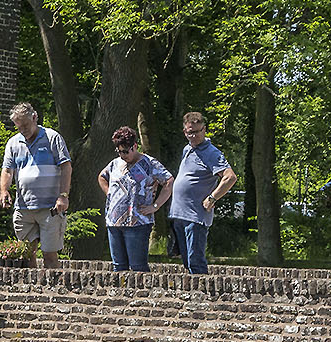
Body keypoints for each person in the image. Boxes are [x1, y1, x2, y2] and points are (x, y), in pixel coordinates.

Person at [0, 102, 72, 268]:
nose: (23, 130)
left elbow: (66, 166)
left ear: (34, 117)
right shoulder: (13, 143)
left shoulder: (52, 137)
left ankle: (53, 290)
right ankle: (31, 290)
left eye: (25, 125)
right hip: (23, 207)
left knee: (50, 254)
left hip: (50, 207)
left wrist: (63, 195)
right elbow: (7, 171)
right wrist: (4, 191)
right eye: (18, 127)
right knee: (25, 255)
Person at [167, 112, 237, 274]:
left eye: (197, 132)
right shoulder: (187, 149)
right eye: (189, 132)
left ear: (204, 130)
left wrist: (213, 198)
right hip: (179, 215)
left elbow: (230, 177)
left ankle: (202, 296)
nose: (193, 136)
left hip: (196, 216)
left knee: (195, 262)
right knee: (186, 262)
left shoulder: (211, 153)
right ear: (184, 131)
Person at [98, 126, 172, 272]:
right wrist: (110, 195)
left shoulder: (150, 163)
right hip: (114, 221)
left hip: (139, 222)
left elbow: (169, 181)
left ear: (135, 146)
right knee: (118, 267)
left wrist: (155, 206)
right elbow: (101, 177)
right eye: (119, 151)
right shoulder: (115, 163)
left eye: (125, 151)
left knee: (138, 267)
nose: (122, 155)